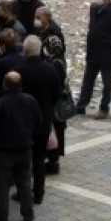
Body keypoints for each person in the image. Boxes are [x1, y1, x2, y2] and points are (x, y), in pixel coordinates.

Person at [0, 72, 42, 221]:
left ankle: (1, 218)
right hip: (24, 148)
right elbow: (38, 123)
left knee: (2, 186)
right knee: (24, 183)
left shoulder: (0, 104)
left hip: (3, 151)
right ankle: (28, 214)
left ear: (5, 84)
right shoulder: (30, 101)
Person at [14, 36, 61, 204]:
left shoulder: (19, 70)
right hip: (43, 120)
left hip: (23, 122)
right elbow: (56, 94)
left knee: (23, 159)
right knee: (39, 159)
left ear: (25, 51)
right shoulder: (51, 69)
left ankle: (22, 192)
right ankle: (39, 193)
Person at [76, 0, 111, 119]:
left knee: (107, 82)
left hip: (107, 55)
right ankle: (81, 105)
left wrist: (110, 43)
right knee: (88, 80)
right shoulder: (93, 8)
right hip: (92, 52)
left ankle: (104, 107)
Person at [42, 35, 69, 175]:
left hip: (56, 106)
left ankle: (53, 162)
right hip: (58, 104)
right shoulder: (58, 60)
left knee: (55, 133)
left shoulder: (55, 64)